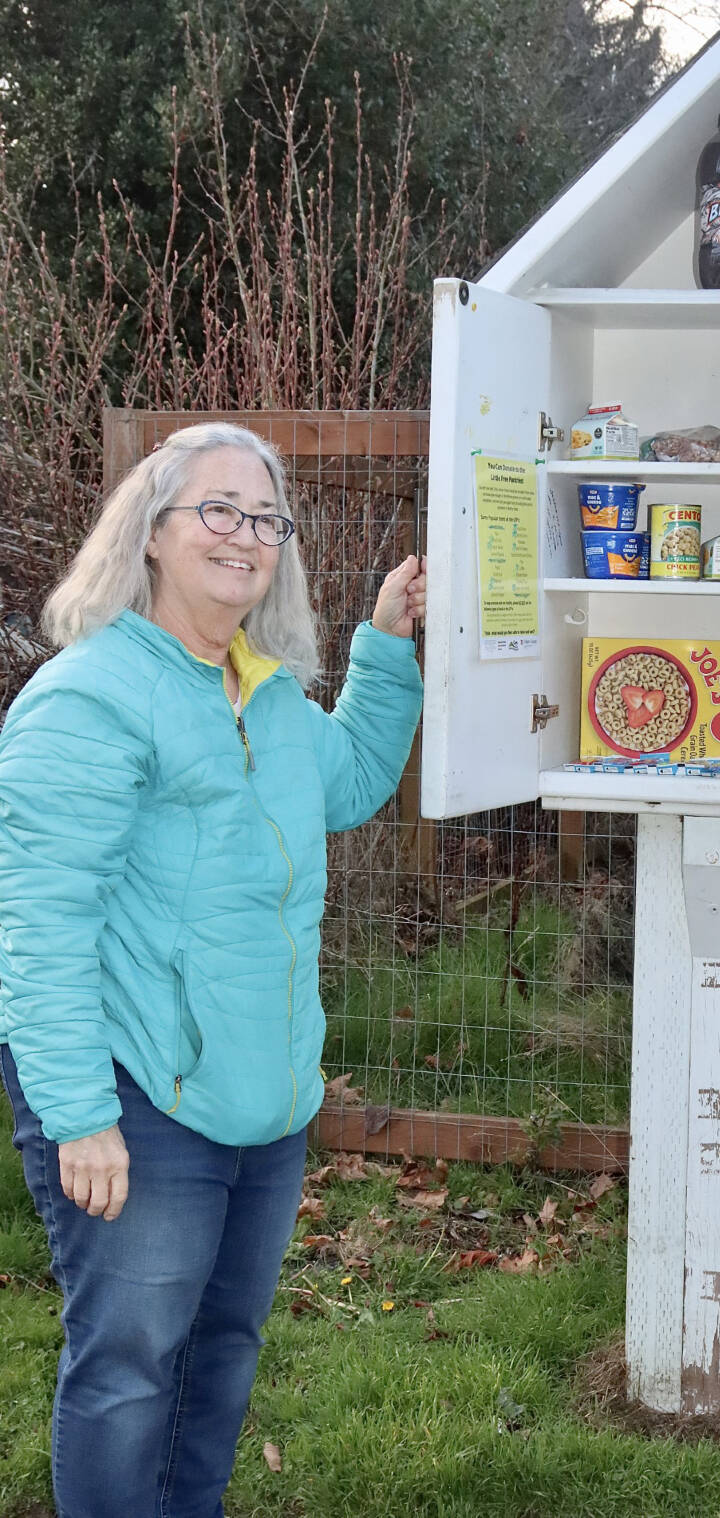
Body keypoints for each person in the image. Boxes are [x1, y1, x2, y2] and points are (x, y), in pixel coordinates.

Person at [0, 423, 425, 1517]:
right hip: (137, 1093)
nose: (246, 536)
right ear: (150, 533)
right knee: (130, 1366)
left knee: (219, 1353)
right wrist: (79, 1113)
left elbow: (351, 783)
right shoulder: (89, 697)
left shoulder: (266, 694)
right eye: (218, 510)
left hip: (260, 1098)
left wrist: (382, 645)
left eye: (267, 518)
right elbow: (35, 921)